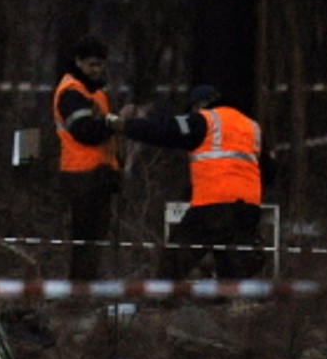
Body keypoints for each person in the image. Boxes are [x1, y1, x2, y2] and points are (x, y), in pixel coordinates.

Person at [107, 84, 267, 279]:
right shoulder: (251, 127)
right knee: (232, 264)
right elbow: (269, 168)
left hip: (213, 205)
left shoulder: (203, 120)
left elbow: (164, 129)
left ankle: (162, 303)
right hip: (248, 208)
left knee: (174, 259)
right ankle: (232, 304)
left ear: (198, 106)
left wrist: (125, 126)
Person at [52, 35, 121, 280]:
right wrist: (113, 123)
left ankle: (86, 285)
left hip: (97, 174)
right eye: (91, 64)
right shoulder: (71, 92)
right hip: (81, 175)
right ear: (78, 62)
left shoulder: (95, 94)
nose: (96, 70)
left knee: (94, 237)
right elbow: (85, 131)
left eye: (100, 65)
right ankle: (80, 288)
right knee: (85, 237)